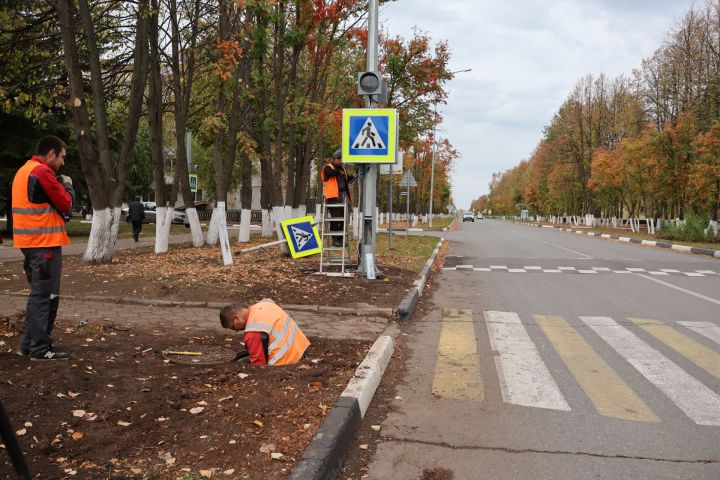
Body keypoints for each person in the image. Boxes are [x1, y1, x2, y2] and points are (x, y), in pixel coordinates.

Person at [11, 135, 74, 360]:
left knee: (37, 295)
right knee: (47, 296)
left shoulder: (23, 171)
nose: (62, 163)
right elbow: (66, 203)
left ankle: (28, 345)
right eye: (62, 157)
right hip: (44, 244)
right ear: (51, 153)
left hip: (30, 244)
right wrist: (68, 185)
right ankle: (40, 349)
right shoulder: (42, 172)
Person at [219, 300, 310, 366]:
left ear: (236, 318)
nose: (236, 331)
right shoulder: (265, 304)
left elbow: (259, 366)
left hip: (285, 363)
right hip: (299, 352)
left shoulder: (253, 330)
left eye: (233, 327)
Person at [321, 149, 356, 246]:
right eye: (340, 159)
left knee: (345, 219)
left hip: (344, 196)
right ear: (335, 158)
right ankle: (335, 239)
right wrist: (340, 170)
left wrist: (354, 176)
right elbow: (332, 173)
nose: (342, 161)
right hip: (333, 197)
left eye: (343, 159)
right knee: (336, 218)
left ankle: (340, 239)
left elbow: (348, 179)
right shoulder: (328, 168)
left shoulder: (342, 169)